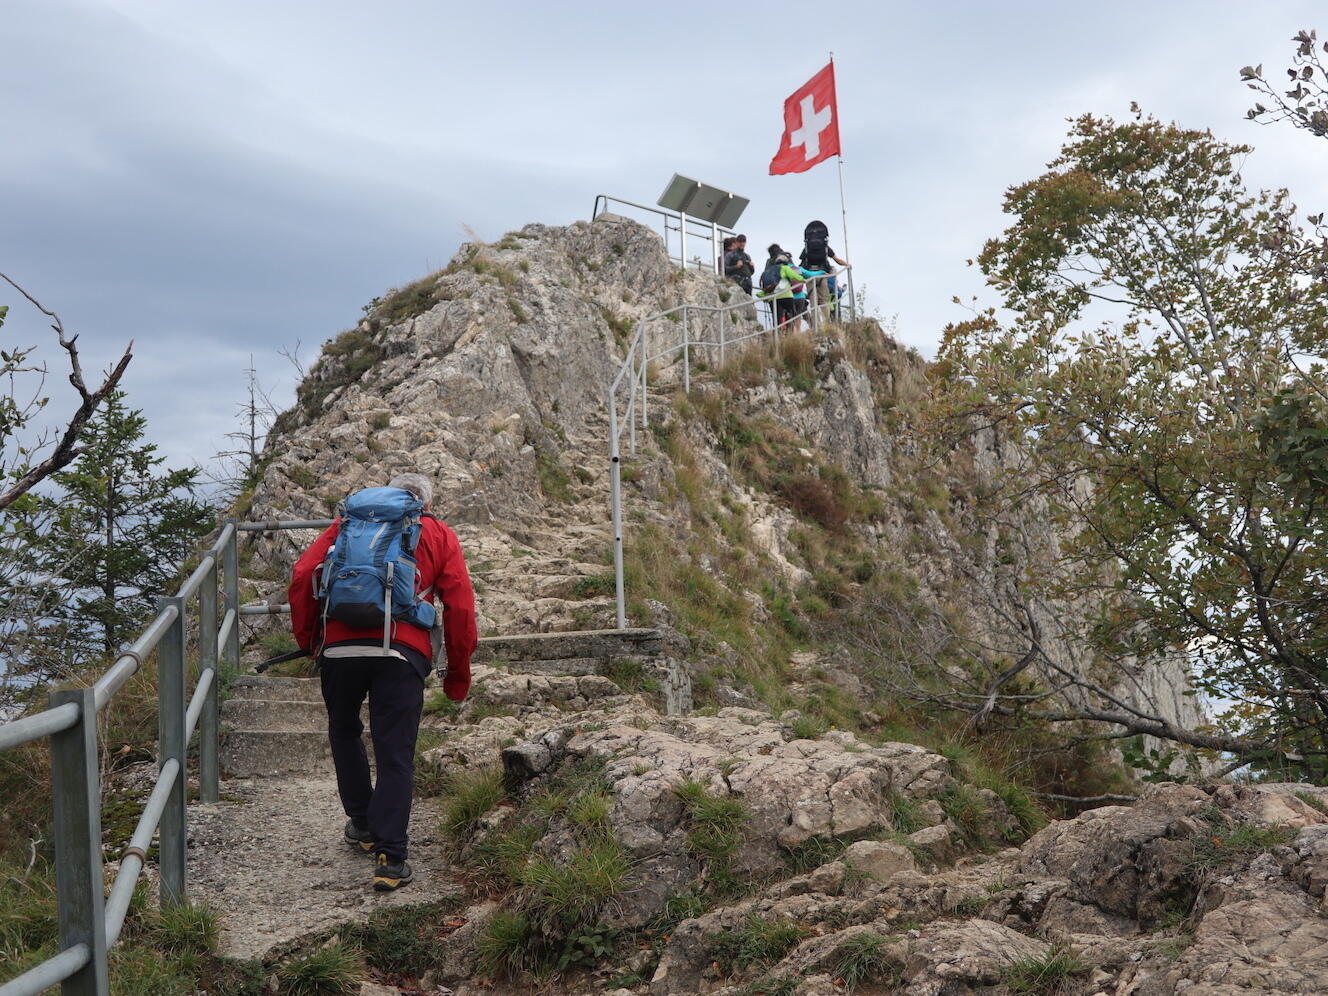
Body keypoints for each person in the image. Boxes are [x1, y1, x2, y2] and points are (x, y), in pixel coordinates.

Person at [288, 472, 477, 891]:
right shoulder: (437, 533)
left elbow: (302, 575)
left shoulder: (347, 525)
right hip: (401, 651)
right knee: (394, 751)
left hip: (339, 647)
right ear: (426, 503)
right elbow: (460, 607)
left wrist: (311, 641)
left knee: (344, 730)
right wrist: (457, 677)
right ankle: (390, 859)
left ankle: (362, 823)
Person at [757, 245, 819, 333]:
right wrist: (802, 279)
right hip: (793, 293)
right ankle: (810, 329)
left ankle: (781, 334)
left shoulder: (770, 262)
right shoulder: (789, 261)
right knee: (797, 313)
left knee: (779, 316)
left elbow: (767, 277)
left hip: (776, 293)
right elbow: (797, 274)